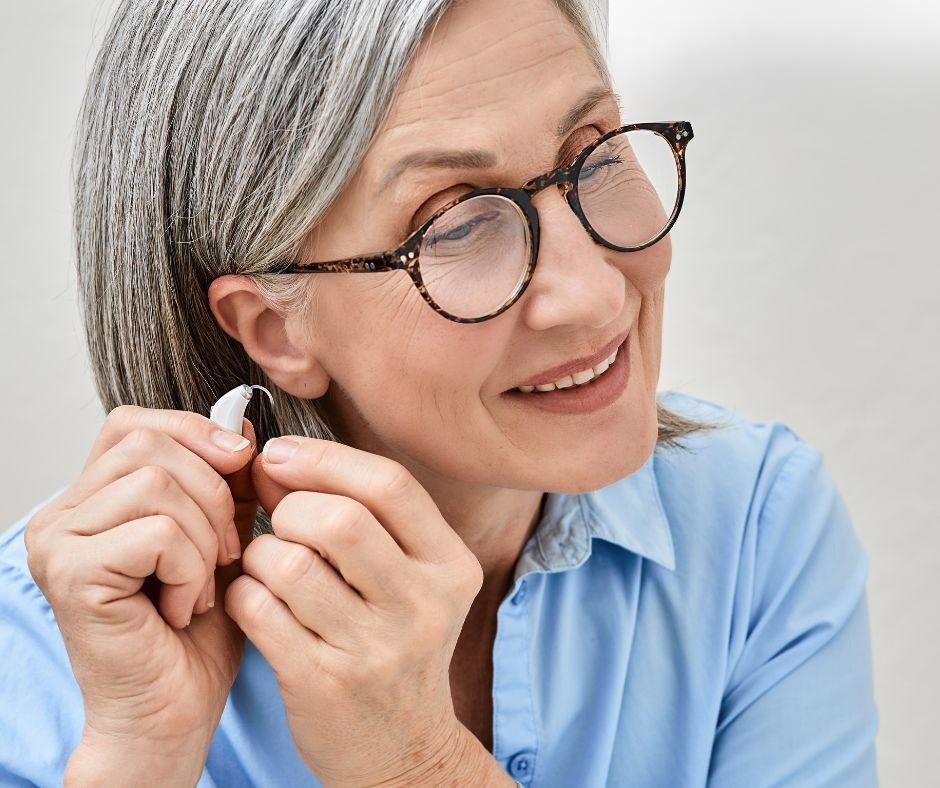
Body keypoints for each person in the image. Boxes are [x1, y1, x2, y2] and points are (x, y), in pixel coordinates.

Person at [0, 0, 879, 785]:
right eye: (458, 222)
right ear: (274, 329)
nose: (597, 293)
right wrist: (139, 755)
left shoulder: (754, 522)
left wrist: (416, 764)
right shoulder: (43, 651)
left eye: (594, 156)